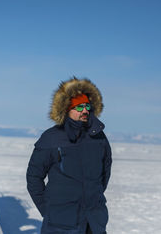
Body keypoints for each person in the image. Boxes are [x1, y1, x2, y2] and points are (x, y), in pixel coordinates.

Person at [26, 77, 112, 234]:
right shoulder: (52, 138)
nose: (85, 110)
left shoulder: (98, 136)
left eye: (87, 106)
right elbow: (33, 177)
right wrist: (48, 210)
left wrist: (94, 196)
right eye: (79, 107)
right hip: (60, 224)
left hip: (93, 222)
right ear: (66, 109)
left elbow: (105, 172)